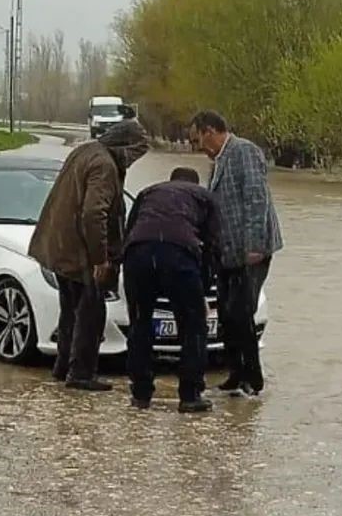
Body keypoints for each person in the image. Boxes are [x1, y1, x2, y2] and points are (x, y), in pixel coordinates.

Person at [28, 119, 149, 391]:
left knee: (70, 310)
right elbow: (94, 213)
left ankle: (63, 367)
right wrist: (101, 259)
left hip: (58, 247)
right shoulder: (105, 165)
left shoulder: (85, 151)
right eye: (135, 154)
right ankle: (81, 373)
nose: (133, 161)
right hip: (80, 253)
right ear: (126, 146)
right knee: (91, 312)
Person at [190, 110, 282, 396]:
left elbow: (256, 198)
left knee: (241, 313)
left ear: (210, 131)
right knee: (227, 315)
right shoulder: (217, 162)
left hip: (250, 251)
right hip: (226, 253)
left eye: (198, 140)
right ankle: (235, 373)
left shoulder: (243, 151)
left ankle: (253, 378)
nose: (198, 147)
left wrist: (254, 245)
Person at [122, 167, 220, 414]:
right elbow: (213, 245)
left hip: (139, 253)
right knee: (193, 326)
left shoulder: (148, 192)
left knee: (140, 322)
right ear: (195, 183)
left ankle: (141, 394)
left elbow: (129, 231)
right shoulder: (205, 197)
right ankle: (190, 395)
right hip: (179, 255)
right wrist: (203, 290)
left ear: (171, 180)